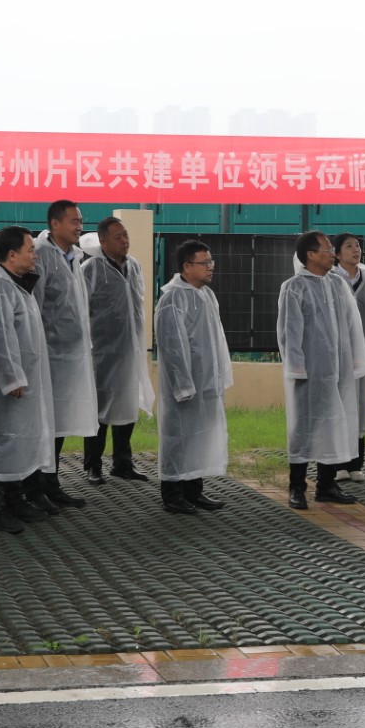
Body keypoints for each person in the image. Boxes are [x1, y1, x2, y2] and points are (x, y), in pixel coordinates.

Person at [278, 231, 365, 510]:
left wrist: (355, 360)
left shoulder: (338, 285)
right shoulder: (294, 287)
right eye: (328, 250)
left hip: (339, 371)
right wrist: (297, 369)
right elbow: (289, 333)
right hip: (310, 372)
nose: (332, 254)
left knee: (334, 424)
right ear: (310, 255)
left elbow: (352, 325)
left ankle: (327, 485)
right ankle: (297, 487)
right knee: (304, 427)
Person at [0, 226, 57, 533]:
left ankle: (15, 500)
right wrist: (11, 377)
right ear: (12, 255)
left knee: (19, 442)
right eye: (30, 250)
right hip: (5, 384)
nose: (35, 255)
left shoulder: (17, 283)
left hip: (24, 380)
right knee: (2, 443)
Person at [155, 241, 233, 515]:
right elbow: (172, 346)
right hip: (184, 385)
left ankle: (194, 491)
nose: (211, 267)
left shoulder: (206, 295)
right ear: (187, 267)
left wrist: (219, 376)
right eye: (205, 262)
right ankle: (173, 495)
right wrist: (183, 384)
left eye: (211, 261)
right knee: (178, 437)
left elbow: (216, 340)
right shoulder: (173, 299)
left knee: (199, 437)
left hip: (206, 381)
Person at [30, 200, 98, 513]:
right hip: (48, 355)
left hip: (70, 357)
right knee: (43, 424)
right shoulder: (41, 255)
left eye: (80, 221)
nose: (79, 226)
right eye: (74, 221)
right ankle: (35, 488)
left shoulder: (74, 256)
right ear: (55, 224)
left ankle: (51, 483)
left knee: (58, 424)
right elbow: (35, 306)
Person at [80, 217, 154, 485]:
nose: (124, 241)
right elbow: (82, 310)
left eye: (126, 235)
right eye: (118, 237)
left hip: (130, 349)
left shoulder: (134, 266)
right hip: (101, 352)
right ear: (103, 242)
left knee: (127, 406)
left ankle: (123, 463)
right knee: (98, 410)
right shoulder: (91, 269)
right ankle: (93, 465)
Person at [330, 232, 365, 483]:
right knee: (340, 408)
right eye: (349, 246)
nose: (356, 250)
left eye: (357, 246)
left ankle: (356, 464)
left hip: (363, 357)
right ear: (336, 253)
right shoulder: (331, 280)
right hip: (338, 358)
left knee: (360, 406)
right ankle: (338, 464)